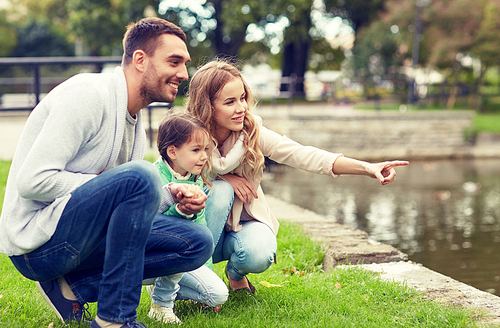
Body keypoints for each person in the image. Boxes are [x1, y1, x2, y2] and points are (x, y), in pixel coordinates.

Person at [0, 18, 229, 328]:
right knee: (141, 176)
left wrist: (168, 196)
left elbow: (124, 215)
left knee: (197, 241)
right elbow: (32, 181)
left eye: (184, 64)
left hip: (81, 240)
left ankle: (70, 289)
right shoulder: (88, 95)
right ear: (140, 60)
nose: (183, 74)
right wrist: (109, 184)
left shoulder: (135, 128)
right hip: (37, 245)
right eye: (174, 61)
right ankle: (114, 320)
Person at [186, 58, 409, 294]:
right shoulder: (188, 136)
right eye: (230, 102)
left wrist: (367, 168)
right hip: (202, 227)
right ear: (208, 107)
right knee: (220, 191)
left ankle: (235, 274)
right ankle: (202, 280)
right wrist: (223, 179)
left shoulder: (251, 132)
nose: (241, 107)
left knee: (259, 254)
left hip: (242, 224)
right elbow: (173, 177)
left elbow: (301, 154)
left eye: (242, 98)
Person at [147, 113, 228, 324]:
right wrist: (181, 211)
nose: (204, 156)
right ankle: (160, 304)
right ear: (172, 151)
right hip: (151, 254)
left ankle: (172, 289)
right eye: (196, 150)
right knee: (177, 242)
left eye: (206, 150)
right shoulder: (153, 177)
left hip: (183, 249)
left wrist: (206, 271)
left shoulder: (194, 180)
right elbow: (155, 224)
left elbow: (201, 229)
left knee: (218, 294)